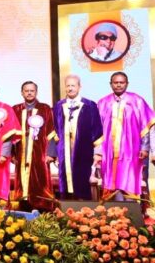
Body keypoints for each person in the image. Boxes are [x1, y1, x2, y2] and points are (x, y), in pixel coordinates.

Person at [96, 72, 155, 201]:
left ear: (127, 84)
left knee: (129, 180)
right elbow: (97, 130)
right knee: (112, 181)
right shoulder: (103, 103)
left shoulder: (137, 101)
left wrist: (145, 148)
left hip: (132, 152)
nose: (118, 85)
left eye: (121, 82)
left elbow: (146, 126)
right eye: (115, 82)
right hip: (109, 152)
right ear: (111, 84)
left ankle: (131, 208)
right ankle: (115, 209)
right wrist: (98, 152)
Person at [53, 74, 103, 200]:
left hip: (83, 150)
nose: (70, 88)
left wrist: (98, 153)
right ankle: (66, 205)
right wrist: (56, 152)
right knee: (65, 179)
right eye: (68, 86)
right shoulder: (58, 106)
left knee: (82, 179)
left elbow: (97, 129)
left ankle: (83, 207)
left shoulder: (90, 105)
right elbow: (54, 129)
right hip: (64, 151)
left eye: (73, 85)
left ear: (79, 87)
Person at [11, 81, 57, 211]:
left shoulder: (45, 109)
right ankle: (23, 210)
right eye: (26, 91)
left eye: (32, 90)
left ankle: (43, 211)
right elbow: (11, 134)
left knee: (40, 182)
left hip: (40, 153)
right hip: (21, 153)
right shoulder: (15, 109)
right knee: (22, 183)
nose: (29, 93)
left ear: (36, 92)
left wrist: (51, 153)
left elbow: (51, 132)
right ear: (22, 93)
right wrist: (12, 155)